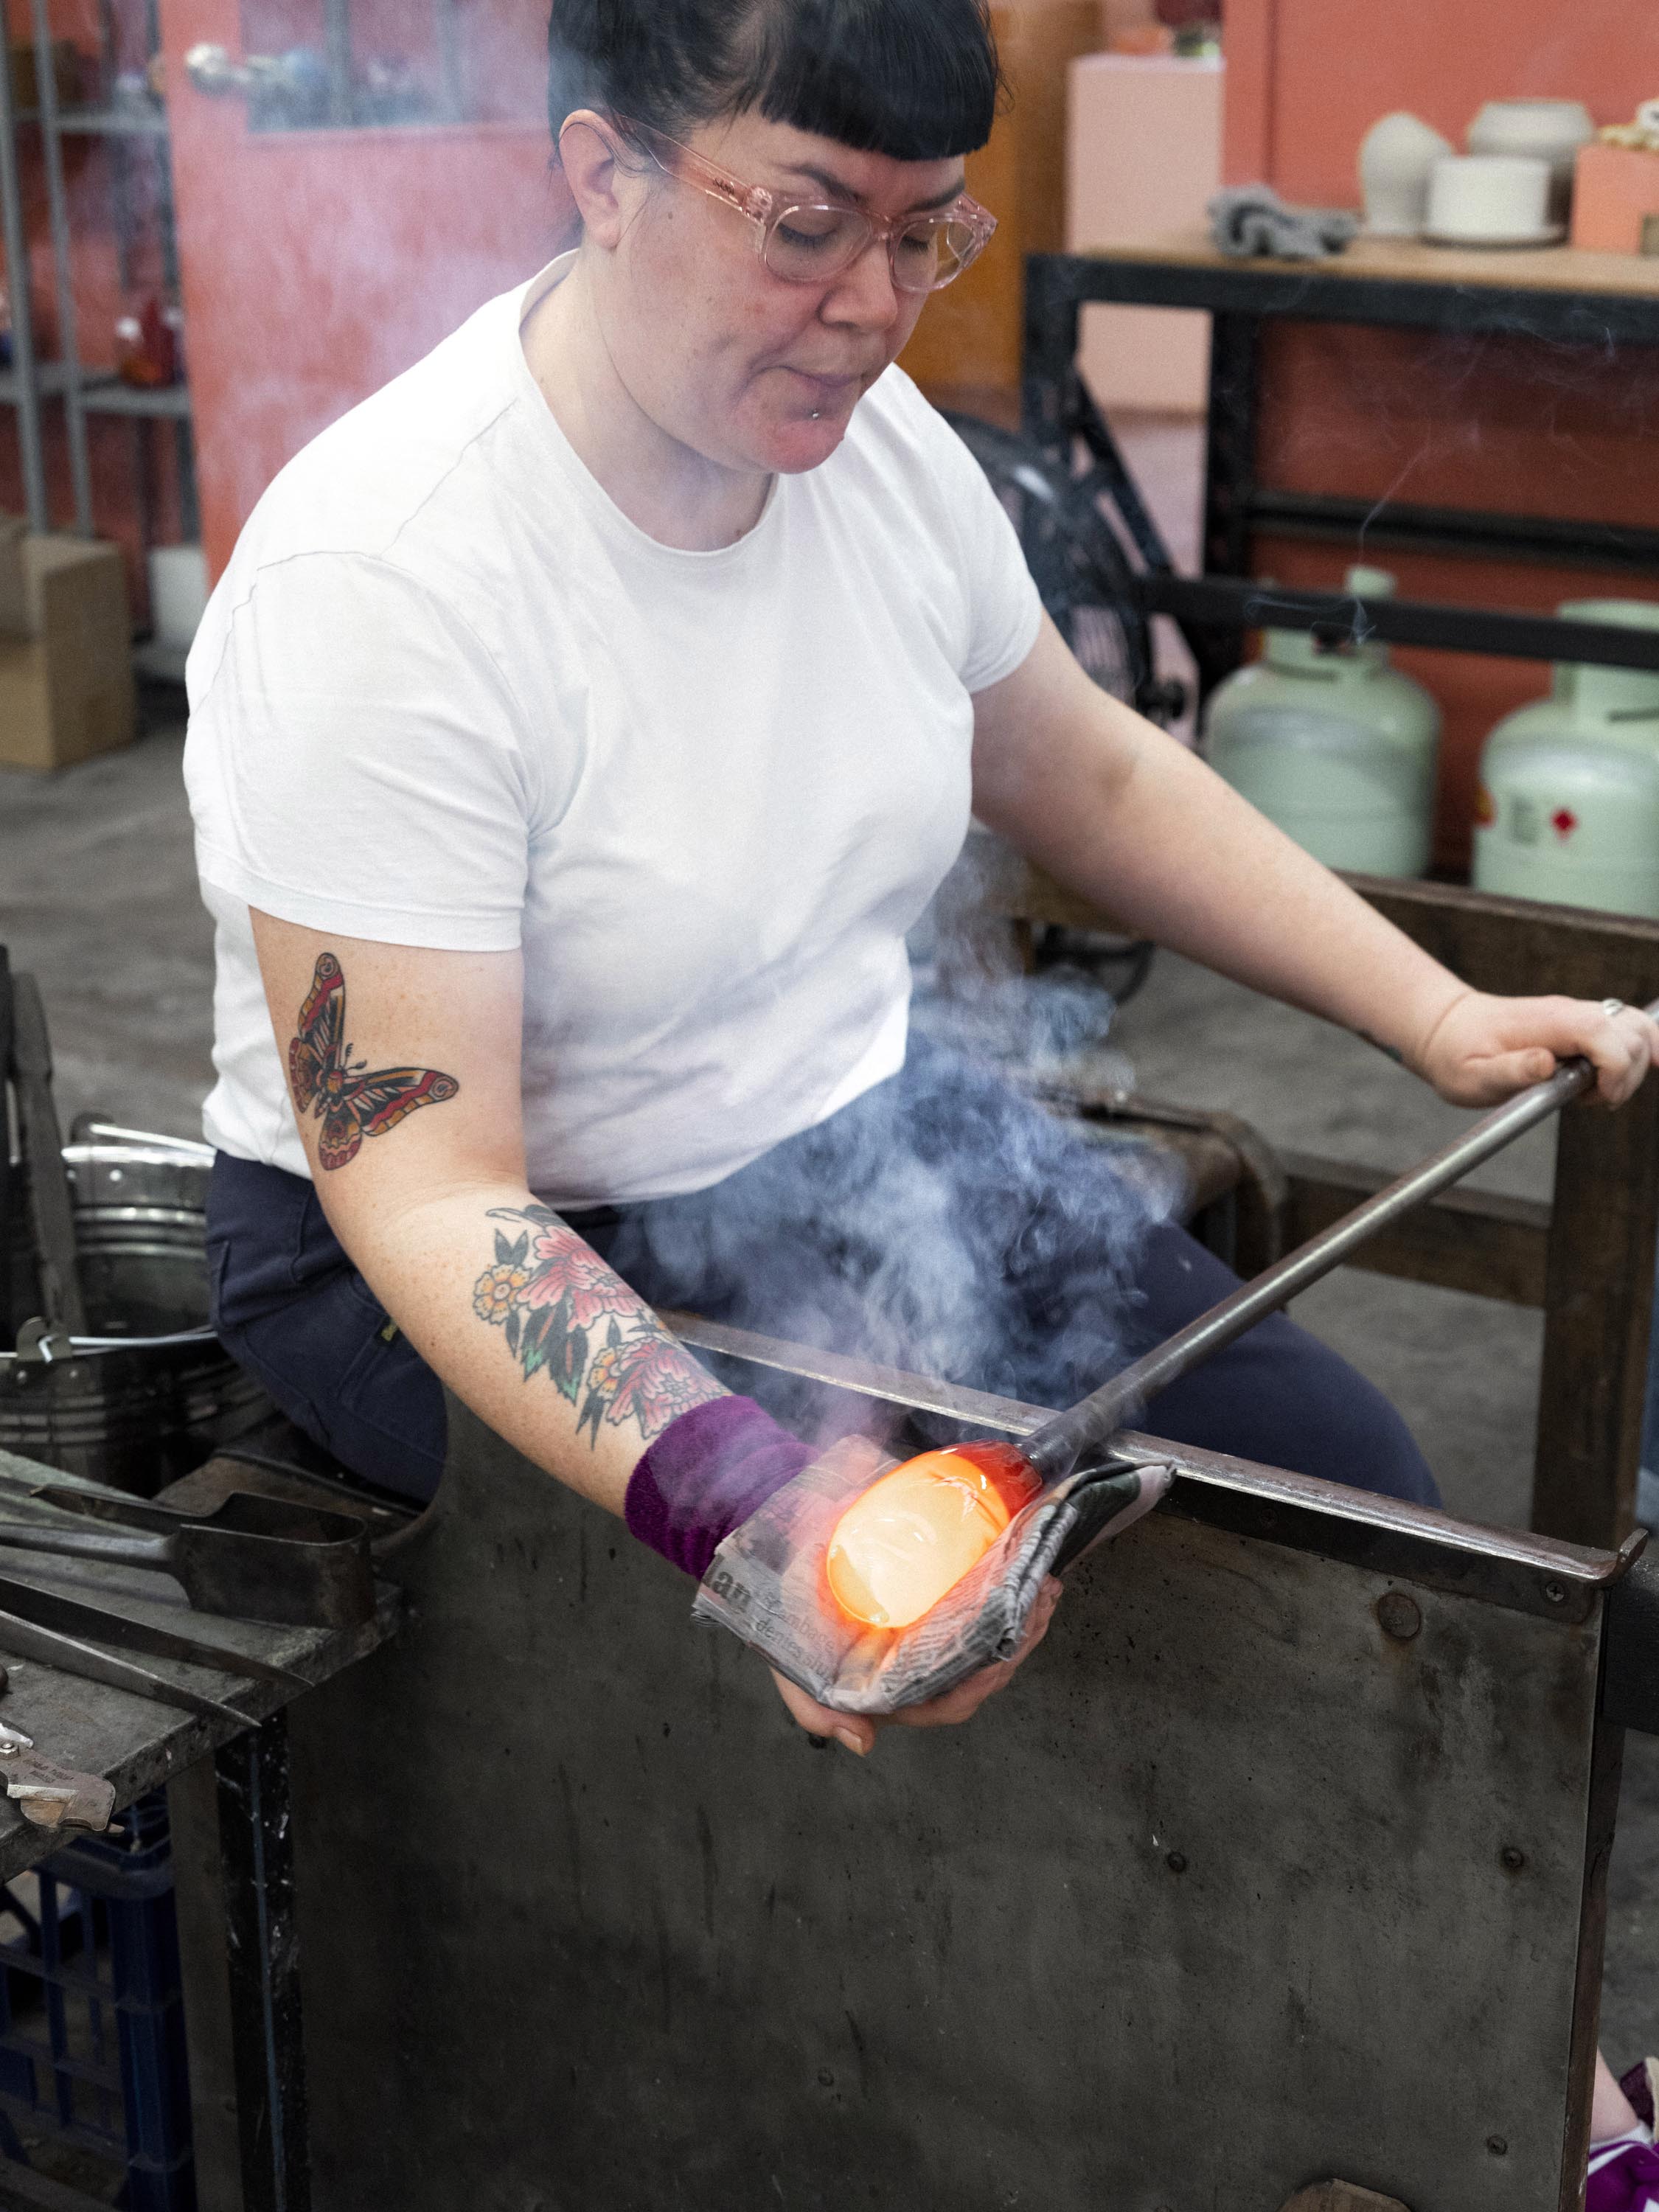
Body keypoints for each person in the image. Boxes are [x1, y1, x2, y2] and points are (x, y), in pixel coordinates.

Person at [183, 0, 1659, 2181]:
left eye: (921, 235)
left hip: (858, 1143)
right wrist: (742, 1507)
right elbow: (427, 1195)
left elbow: (1068, 760)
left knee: (1358, 1532)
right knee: (930, 1649)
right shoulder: (386, 579)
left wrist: (1423, 1009)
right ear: (599, 173)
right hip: (468, 1236)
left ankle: (1529, 2115)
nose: (867, 308)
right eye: (802, 226)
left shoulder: (872, 459)